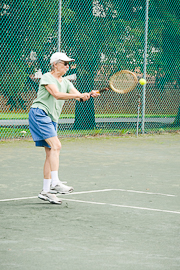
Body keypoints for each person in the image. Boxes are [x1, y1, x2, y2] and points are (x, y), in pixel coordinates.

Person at [29, 52, 100, 205]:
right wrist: (78, 96)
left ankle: (46, 191)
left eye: (69, 64)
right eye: (65, 63)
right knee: (56, 146)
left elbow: (79, 96)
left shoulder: (66, 82)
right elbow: (56, 95)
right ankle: (55, 182)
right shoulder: (47, 77)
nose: (68, 66)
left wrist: (87, 94)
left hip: (51, 118)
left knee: (50, 153)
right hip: (40, 113)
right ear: (55, 64)